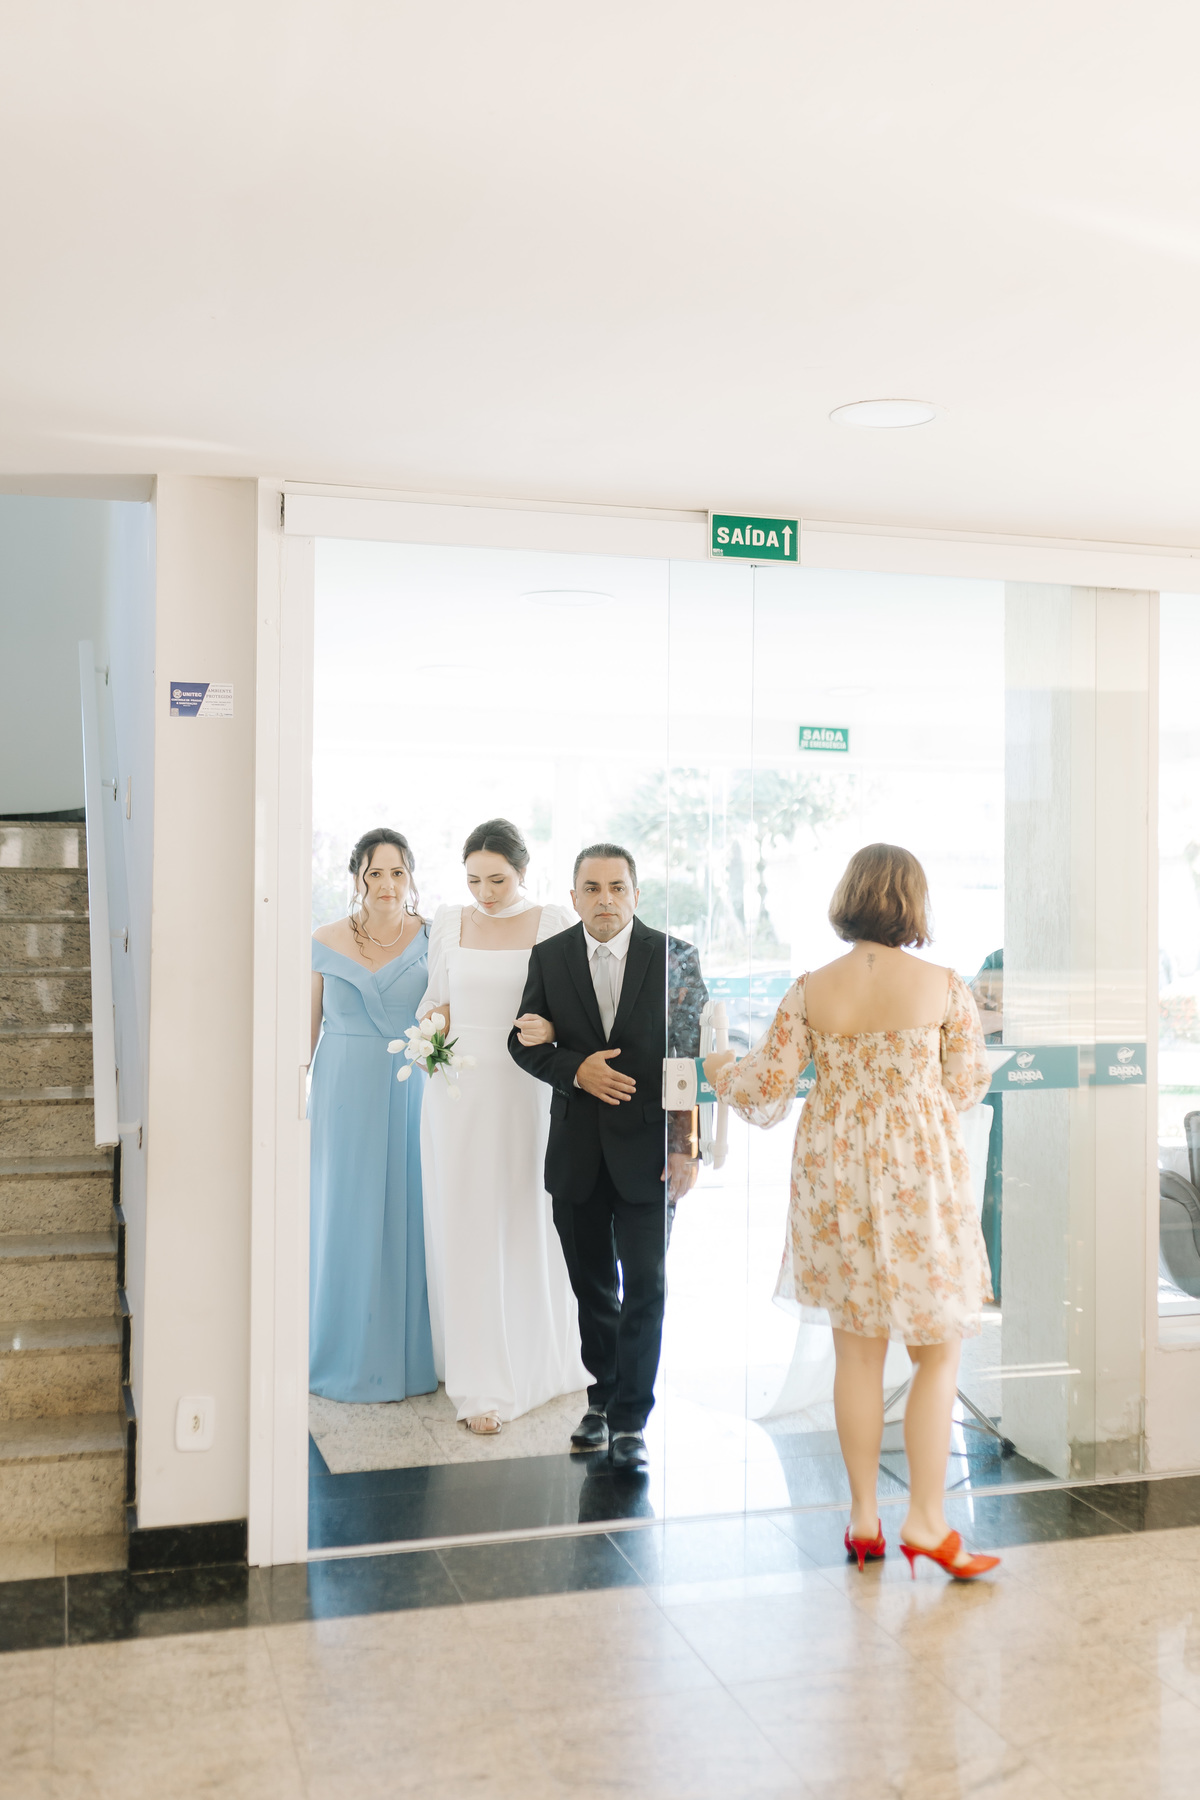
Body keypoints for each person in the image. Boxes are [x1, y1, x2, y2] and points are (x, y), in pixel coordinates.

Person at [706, 843, 1000, 1580]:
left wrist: (718, 1069)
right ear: (913, 901)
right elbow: (966, 1085)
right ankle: (927, 1520)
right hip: (918, 1179)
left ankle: (864, 1518)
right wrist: (909, 1101)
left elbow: (764, 1087)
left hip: (833, 1176)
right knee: (938, 1351)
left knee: (857, 1354)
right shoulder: (943, 985)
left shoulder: (811, 989)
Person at [507, 843, 707, 1475]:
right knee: (592, 1286)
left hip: (650, 1154)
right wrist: (576, 1070)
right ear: (574, 897)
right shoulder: (550, 956)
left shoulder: (675, 957)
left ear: (636, 894)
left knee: (646, 1285)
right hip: (578, 1153)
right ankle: (601, 1399)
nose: (605, 900)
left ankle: (630, 1420)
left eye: (617, 887)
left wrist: (685, 1146)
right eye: (592, 889)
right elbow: (522, 1042)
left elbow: (688, 1061)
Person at [419, 818, 587, 1435]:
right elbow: (434, 1000)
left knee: (526, 1216)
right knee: (467, 1223)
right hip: (457, 1091)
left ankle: (540, 1359)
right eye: (473, 880)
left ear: (522, 872)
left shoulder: (552, 922)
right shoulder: (448, 923)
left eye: (497, 879)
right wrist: (432, 1028)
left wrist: (553, 1029)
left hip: (525, 1089)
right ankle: (479, 1376)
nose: (484, 893)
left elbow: (575, 1007)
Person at [309, 828, 437, 1402]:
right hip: (342, 1089)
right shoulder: (323, 939)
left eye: (397, 872)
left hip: (412, 1087)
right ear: (356, 877)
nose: (387, 884)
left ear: (411, 877)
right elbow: (303, 1035)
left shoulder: (434, 939)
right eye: (375, 873)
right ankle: (339, 1350)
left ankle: (407, 1356)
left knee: (410, 1210)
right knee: (345, 1211)